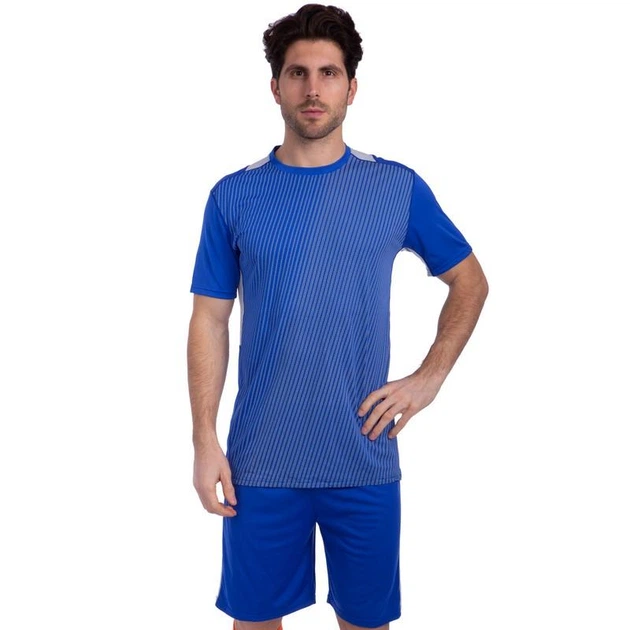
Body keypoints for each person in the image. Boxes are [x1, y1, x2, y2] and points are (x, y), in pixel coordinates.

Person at [187, 4, 488, 630]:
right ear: (275, 86)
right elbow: (209, 320)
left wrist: (428, 378)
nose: (313, 89)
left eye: (329, 73)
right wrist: (204, 440)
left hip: (363, 453)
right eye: (298, 73)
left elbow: (470, 282)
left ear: (352, 87)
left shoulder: (397, 188)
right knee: (254, 622)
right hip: (259, 461)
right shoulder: (233, 195)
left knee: (366, 624)